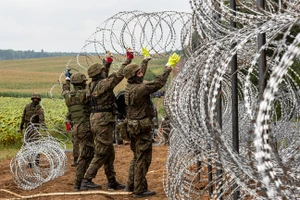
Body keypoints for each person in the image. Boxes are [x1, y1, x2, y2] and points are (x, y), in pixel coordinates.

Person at [123, 48, 180, 198]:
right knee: (143, 159)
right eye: (139, 73)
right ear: (134, 76)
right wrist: (168, 67)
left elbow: (138, 76)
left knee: (137, 156)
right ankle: (139, 189)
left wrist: (144, 61)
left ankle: (130, 184)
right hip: (141, 128)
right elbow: (158, 83)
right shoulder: (140, 89)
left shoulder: (129, 87)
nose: (141, 74)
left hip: (133, 127)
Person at [80, 48, 134, 191]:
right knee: (102, 152)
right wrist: (128, 60)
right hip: (103, 120)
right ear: (100, 74)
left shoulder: (91, 86)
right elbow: (119, 75)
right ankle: (87, 179)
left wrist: (108, 62)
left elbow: (105, 75)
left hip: (96, 119)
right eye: (103, 70)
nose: (104, 71)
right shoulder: (104, 84)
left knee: (109, 152)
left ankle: (112, 181)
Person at [20, 93, 46, 167]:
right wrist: (21, 126)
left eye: (37, 99)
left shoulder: (40, 109)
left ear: (39, 100)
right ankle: (30, 162)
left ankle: (36, 162)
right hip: (27, 129)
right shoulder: (27, 107)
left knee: (36, 145)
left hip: (35, 129)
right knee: (28, 145)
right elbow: (23, 116)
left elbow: (41, 120)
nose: (35, 100)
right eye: (34, 99)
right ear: (32, 99)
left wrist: (44, 127)